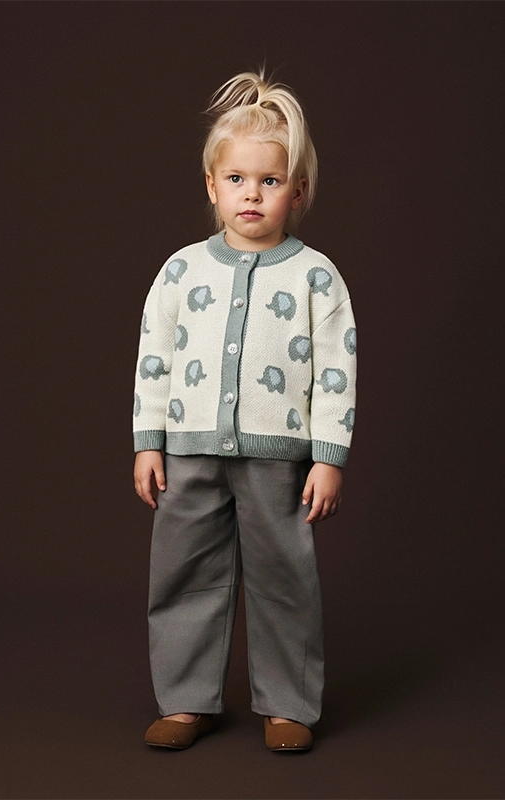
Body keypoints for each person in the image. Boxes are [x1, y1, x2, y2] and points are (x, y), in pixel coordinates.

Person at [132, 66, 358, 752]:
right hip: (189, 449)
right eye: (237, 178)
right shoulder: (181, 271)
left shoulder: (316, 276)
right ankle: (184, 700)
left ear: (298, 190)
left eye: (270, 180)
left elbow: (337, 371)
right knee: (183, 574)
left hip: (278, 456)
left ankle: (289, 705)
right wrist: (148, 441)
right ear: (212, 186)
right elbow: (154, 358)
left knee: (285, 579)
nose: (252, 193)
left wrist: (329, 458)